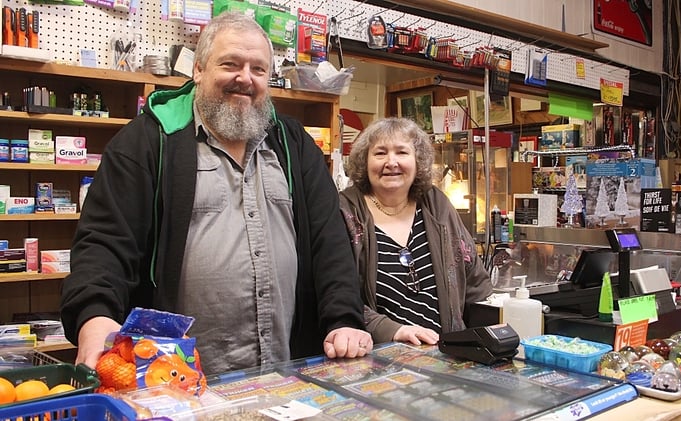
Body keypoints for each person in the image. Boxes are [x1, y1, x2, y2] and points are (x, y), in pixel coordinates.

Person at [60, 12, 371, 375]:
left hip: (285, 375)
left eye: (258, 69)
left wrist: (343, 318)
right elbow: (104, 244)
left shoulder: (293, 144)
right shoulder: (146, 142)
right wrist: (94, 316)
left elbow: (329, 241)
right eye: (230, 64)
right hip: (171, 379)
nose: (245, 78)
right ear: (199, 70)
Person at [339, 117, 493, 345]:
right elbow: (337, 295)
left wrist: (491, 332)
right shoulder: (345, 212)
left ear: (418, 160)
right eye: (380, 153)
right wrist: (392, 331)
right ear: (364, 161)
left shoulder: (436, 204)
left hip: (446, 354)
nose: (391, 162)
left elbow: (475, 282)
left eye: (402, 152)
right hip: (374, 356)